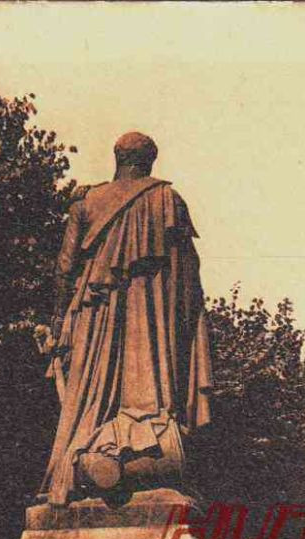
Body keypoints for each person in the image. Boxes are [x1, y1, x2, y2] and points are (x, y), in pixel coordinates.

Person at [36, 131, 213, 504]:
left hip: (94, 316)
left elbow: (64, 268)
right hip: (151, 325)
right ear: (149, 162)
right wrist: (185, 329)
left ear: (117, 159)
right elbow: (187, 281)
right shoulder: (167, 200)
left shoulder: (85, 203)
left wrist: (57, 324)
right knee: (150, 393)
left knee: (84, 401)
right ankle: (138, 454)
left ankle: (85, 461)